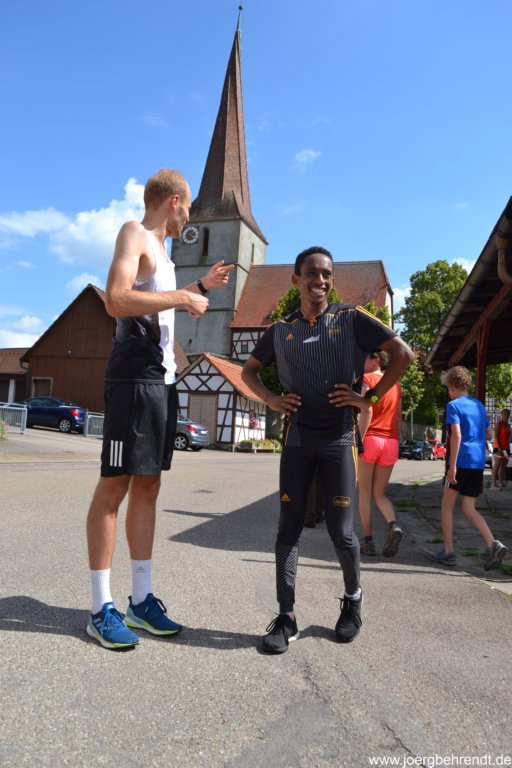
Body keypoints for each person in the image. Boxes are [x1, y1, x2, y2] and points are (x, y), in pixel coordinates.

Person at [86, 168, 234, 650]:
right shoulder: (134, 233)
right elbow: (116, 298)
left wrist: (199, 288)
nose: (189, 216)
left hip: (161, 382)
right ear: (173, 200)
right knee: (115, 487)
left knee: (148, 486)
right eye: (188, 206)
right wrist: (185, 294)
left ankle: (141, 600)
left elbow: (160, 303)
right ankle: (101, 608)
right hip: (132, 379)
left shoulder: (165, 258)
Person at [241, 246, 413, 653]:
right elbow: (249, 371)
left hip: (339, 439)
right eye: (312, 273)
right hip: (298, 439)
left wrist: (368, 400)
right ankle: (286, 617)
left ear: (331, 281)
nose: (320, 280)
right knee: (288, 527)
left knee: (341, 531)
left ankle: (353, 601)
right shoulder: (281, 330)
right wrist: (271, 399)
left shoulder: (351, 319)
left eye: (326, 274)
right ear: (296, 279)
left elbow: (403, 355)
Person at [430, 366, 508, 570]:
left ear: (451, 386)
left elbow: (456, 435)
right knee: (468, 507)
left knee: (447, 505)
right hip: (478, 462)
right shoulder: (479, 405)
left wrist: (452, 466)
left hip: (461, 460)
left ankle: (448, 551)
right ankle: (493, 544)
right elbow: (489, 435)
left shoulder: (453, 406)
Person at [358, 350, 403, 558]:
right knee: (379, 494)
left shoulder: (366, 379)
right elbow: (398, 418)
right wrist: (396, 440)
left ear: (376, 359)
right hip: (391, 442)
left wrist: (359, 439)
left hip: (371, 439)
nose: (361, 362)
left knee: (364, 493)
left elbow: (365, 409)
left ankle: (368, 541)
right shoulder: (396, 384)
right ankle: (393, 524)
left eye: (365, 358)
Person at [490, 408, 510, 490]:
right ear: (502, 414)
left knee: (503, 466)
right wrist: (499, 448)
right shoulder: (499, 424)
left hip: (506, 448)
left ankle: (501, 483)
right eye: (504, 413)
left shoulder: (508, 425)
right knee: (497, 466)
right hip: (498, 448)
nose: (506, 415)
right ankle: (493, 484)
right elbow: (496, 437)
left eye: (508, 413)